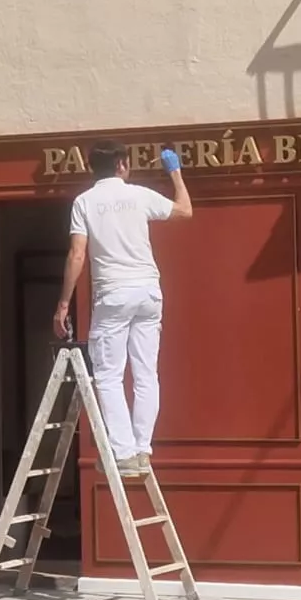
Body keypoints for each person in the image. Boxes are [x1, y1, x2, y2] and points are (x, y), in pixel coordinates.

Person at [54, 141, 192, 477]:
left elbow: (77, 255)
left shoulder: (84, 202)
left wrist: (63, 304)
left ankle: (123, 452)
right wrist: (174, 172)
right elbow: (185, 210)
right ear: (121, 165)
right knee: (146, 373)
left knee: (108, 375)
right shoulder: (139, 195)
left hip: (113, 293)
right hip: (147, 289)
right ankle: (142, 449)